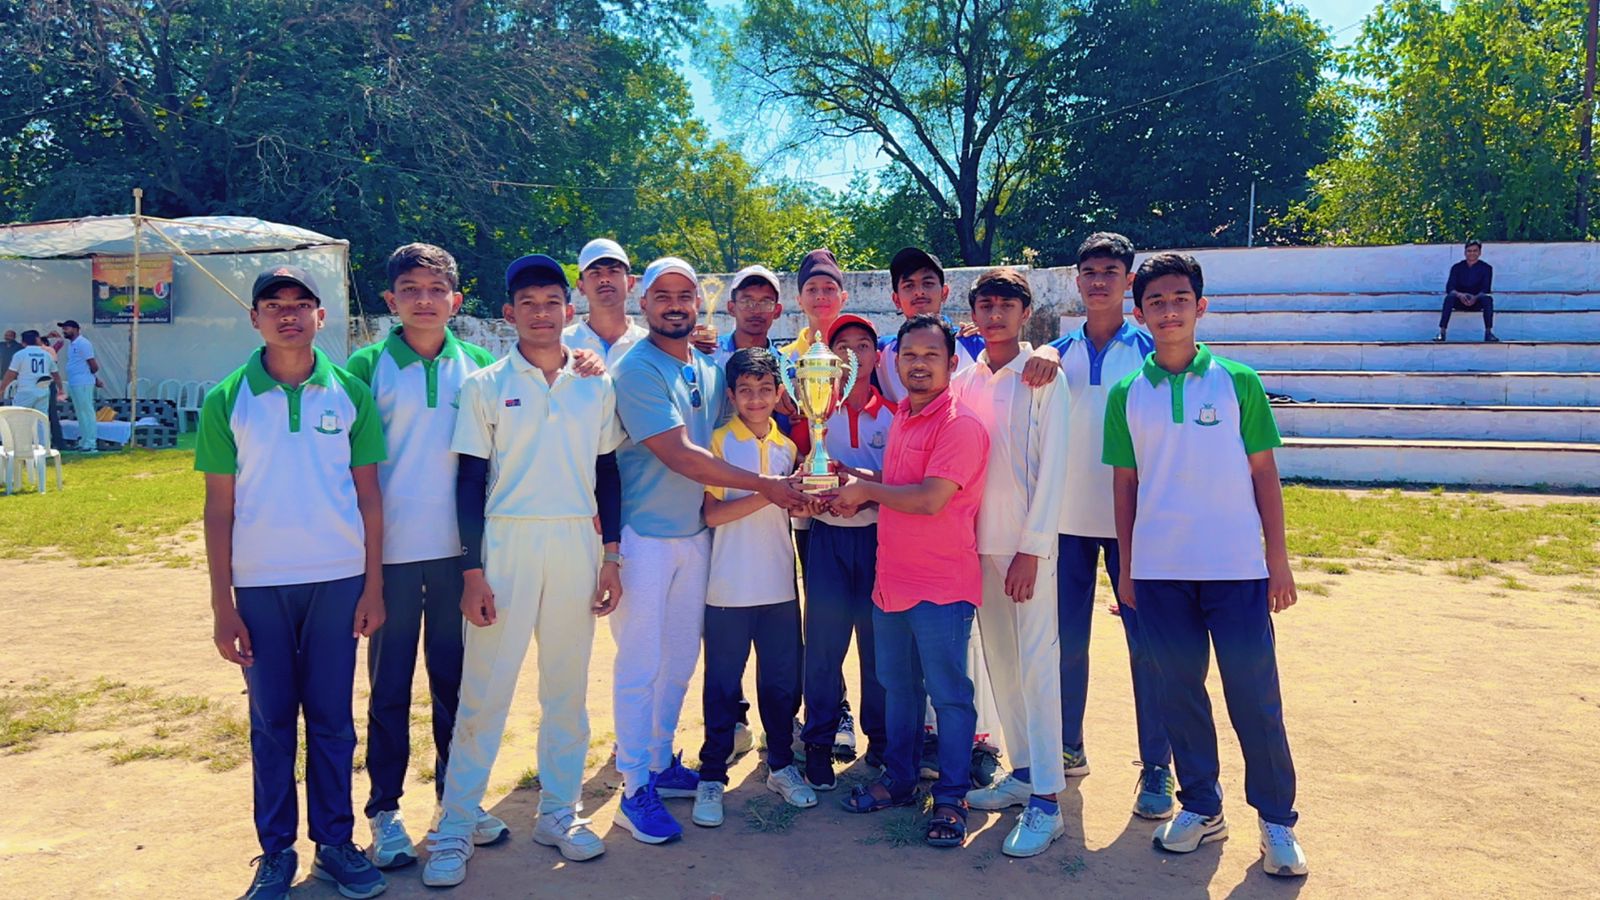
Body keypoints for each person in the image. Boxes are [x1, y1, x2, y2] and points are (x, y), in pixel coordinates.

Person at [419, 254, 626, 887]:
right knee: (485, 691)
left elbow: (608, 473)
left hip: (575, 541)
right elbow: (469, 480)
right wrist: (472, 571)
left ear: (570, 309)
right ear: (509, 313)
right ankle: (456, 823)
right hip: (506, 543)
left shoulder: (595, 383)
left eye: (552, 302)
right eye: (528, 303)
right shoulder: (485, 384)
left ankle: (558, 812)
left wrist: (611, 556)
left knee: (566, 689)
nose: (541, 313)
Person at [1103, 252, 1307, 877]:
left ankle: (1276, 820)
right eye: (1156, 302)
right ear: (1140, 313)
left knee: (1254, 695)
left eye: (1180, 299)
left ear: (1201, 306)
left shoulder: (1238, 382)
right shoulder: (1126, 393)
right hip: (1160, 572)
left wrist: (1277, 561)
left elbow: (1264, 474)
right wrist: (1128, 569)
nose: (1169, 311)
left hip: (1236, 568)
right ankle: (1200, 805)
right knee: (1179, 692)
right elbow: (1125, 486)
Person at [195, 265, 389, 900]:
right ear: (254, 318)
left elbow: (369, 497)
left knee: (332, 720)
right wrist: (223, 606)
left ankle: (335, 843)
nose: (288, 314)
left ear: (320, 317)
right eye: (274, 304)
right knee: (272, 722)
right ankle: (276, 851)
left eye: (301, 303)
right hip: (260, 587)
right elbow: (218, 509)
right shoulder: (228, 399)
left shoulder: (349, 393)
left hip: (337, 580)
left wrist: (373, 586)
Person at [609, 257, 811, 845]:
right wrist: (768, 487)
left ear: (699, 303)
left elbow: (750, 417)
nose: (675, 304)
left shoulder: (705, 367)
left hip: (696, 539)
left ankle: (659, 761)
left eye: (685, 294)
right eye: (662, 295)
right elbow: (680, 454)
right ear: (643, 303)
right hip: (646, 534)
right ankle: (633, 787)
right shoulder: (636, 368)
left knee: (678, 661)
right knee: (641, 663)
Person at [341, 244, 500, 870]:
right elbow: (350, 467)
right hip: (392, 558)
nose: (424, 300)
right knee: (389, 687)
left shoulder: (481, 367)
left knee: (455, 684)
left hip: (461, 556)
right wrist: (366, 564)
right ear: (391, 300)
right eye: (410, 289)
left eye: (436, 290)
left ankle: (455, 803)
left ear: (456, 301)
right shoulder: (365, 366)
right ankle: (384, 810)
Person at [1020, 232, 1173, 819]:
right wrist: (1048, 350)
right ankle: (1068, 745)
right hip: (1068, 522)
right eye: (1090, 272)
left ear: (1128, 280)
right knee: (1066, 646)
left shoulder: (1153, 350)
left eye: (1111, 271)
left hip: (1138, 523)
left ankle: (1156, 765)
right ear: (1077, 279)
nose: (1100, 281)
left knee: (1149, 649)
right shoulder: (1053, 354)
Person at [831, 314, 989, 850]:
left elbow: (929, 499)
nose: (919, 365)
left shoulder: (959, 425)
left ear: (951, 363)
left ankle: (952, 797)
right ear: (895, 362)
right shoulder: (904, 415)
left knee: (949, 695)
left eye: (931, 356)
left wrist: (866, 492)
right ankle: (899, 780)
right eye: (910, 356)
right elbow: (899, 484)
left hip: (942, 583)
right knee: (898, 687)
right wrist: (854, 478)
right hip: (893, 579)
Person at [952, 268, 1071, 858]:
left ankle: (1048, 799)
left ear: (1026, 313)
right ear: (973, 313)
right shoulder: (964, 379)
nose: (995, 315)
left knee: (1037, 666)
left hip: (1027, 550)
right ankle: (1023, 771)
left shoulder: (1045, 376)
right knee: (1000, 662)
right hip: (976, 545)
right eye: (986, 305)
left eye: (1006, 305)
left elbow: (1055, 468)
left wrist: (1032, 547)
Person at [691, 347, 816, 827]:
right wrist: (770, 490)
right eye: (746, 390)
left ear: (780, 393)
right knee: (723, 685)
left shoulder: (788, 449)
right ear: (731, 395)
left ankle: (781, 764)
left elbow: (791, 511)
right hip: (728, 588)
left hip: (779, 586)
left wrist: (800, 498)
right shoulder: (718, 443)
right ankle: (711, 773)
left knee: (782, 684)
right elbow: (713, 514)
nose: (756, 398)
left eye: (765, 389)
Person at [797, 314, 891, 788]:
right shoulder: (814, 411)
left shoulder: (896, 414)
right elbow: (800, 471)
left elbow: (902, 481)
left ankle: (882, 741)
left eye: (863, 345)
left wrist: (864, 491)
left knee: (879, 647)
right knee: (824, 645)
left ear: (878, 356)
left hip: (879, 542)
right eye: (843, 347)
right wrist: (811, 493)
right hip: (828, 538)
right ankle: (818, 741)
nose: (853, 354)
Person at [874, 247, 985, 405]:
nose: (919, 292)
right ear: (896, 299)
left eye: (928, 283)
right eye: (909, 286)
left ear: (944, 293)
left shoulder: (974, 345)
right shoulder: (881, 352)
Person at [563, 238, 648, 366]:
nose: (604, 279)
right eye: (595, 273)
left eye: (613, 271)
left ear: (630, 283)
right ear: (581, 286)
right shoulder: (562, 344)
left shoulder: (650, 345)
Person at [1436, 240, 1498, 342]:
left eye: (1475, 251)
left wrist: (1475, 297)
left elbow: (1486, 288)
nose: (1472, 253)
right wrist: (1460, 295)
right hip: (1460, 300)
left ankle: (1488, 333)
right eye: (1469, 251)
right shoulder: (1457, 267)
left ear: (1479, 252)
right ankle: (1442, 332)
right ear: (1465, 252)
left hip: (1477, 300)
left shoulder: (1486, 268)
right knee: (1449, 298)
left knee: (1488, 299)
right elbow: (1450, 288)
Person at [58, 320, 100, 451]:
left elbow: (93, 365)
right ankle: (84, 440)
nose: (64, 331)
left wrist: (91, 377)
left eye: (67, 328)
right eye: (64, 329)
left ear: (76, 329)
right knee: (81, 413)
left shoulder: (83, 343)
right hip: (75, 382)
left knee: (87, 412)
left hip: (83, 382)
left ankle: (91, 443)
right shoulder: (72, 344)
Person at [1, 330, 64, 415]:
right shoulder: (47, 355)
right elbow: (55, 374)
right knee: (41, 417)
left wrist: (2, 389)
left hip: (25, 391)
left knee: (19, 416)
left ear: (23, 342)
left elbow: (11, 374)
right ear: (38, 340)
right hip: (43, 391)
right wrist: (60, 389)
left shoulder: (20, 354)